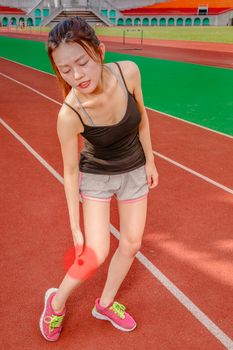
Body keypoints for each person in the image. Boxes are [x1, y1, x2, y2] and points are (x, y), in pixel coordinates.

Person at [39, 16, 158, 341]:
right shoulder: (70, 114)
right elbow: (70, 171)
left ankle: (104, 303)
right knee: (95, 253)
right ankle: (57, 302)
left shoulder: (129, 72)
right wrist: (75, 227)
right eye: (65, 69)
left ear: (100, 52)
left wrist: (150, 161)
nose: (76, 75)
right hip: (98, 177)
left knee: (132, 244)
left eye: (82, 62)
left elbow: (142, 118)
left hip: (133, 170)